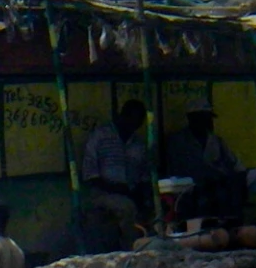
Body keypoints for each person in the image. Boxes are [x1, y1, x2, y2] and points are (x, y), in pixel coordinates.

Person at [79, 99, 150, 248]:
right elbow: (90, 174)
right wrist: (116, 188)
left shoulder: (138, 143)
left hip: (130, 192)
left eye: (139, 120)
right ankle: (131, 250)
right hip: (103, 193)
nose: (135, 123)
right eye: (132, 118)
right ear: (122, 116)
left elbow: (144, 176)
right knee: (127, 207)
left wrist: (142, 195)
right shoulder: (100, 136)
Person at [164, 106, 246, 221]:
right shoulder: (178, 141)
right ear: (191, 118)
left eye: (208, 118)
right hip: (188, 188)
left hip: (218, 185)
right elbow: (175, 169)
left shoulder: (216, 140)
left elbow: (235, 164)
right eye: (202, 118)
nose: (207, 122)